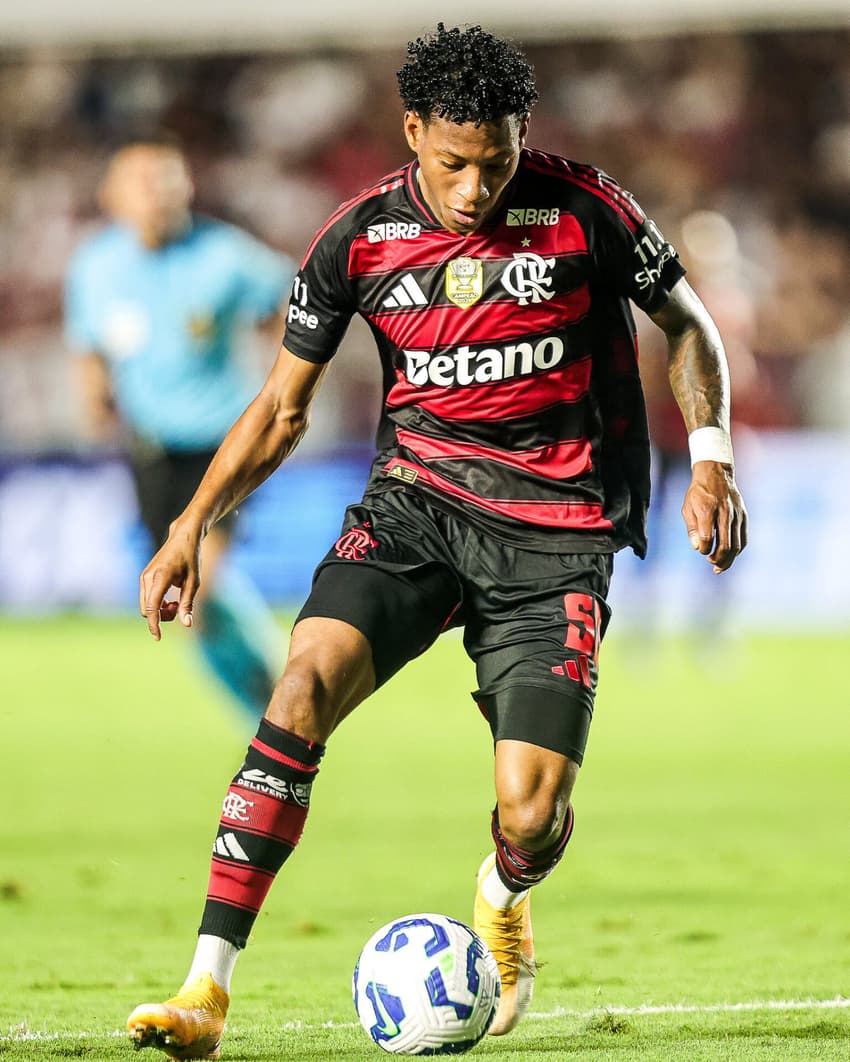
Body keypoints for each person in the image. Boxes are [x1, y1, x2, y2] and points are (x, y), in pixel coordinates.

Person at [126, 24, 748, 1059]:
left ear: (520, 139)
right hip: (415, 511)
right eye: (452, 162)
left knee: (532, 810)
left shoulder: (587, 209)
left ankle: (503, 893)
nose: (472, 188)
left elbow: (687, 325)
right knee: (300, 690)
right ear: (413, 132)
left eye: (494, 161)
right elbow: (283, 408)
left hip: (555, 534)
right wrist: (192, 525)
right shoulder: (360, 238)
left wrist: (715, 454)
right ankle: (205, 989)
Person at [65, 138, 296, 720]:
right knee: (183, 602)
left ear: (186, 189)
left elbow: (290, 299)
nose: (157, 194)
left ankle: (283, 707)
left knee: (202, 584)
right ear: (112, 197)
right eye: (142, 182)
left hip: (220, 446)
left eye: (167, 180)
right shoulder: (96, 265)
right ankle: (264, 713)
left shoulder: (223, 254)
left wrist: (280, 385)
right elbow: (89, 343)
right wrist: (95, 397)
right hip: (150, 449)